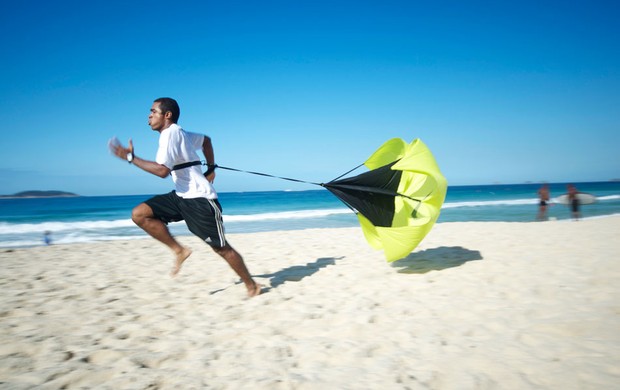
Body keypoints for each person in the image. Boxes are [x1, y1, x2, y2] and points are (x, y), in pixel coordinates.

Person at [110, 97, 262, 297]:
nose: (149, 115)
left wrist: (130, 158)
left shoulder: (169, 135)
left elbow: (162, 171)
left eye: (153, 111)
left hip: (200, 201)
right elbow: (207, 141)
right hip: (181, 196)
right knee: (139, 214)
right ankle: (179, 250)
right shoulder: (181, 134)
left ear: (167, 115)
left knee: (222, 249)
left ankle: (252, 286)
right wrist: (211, 167)